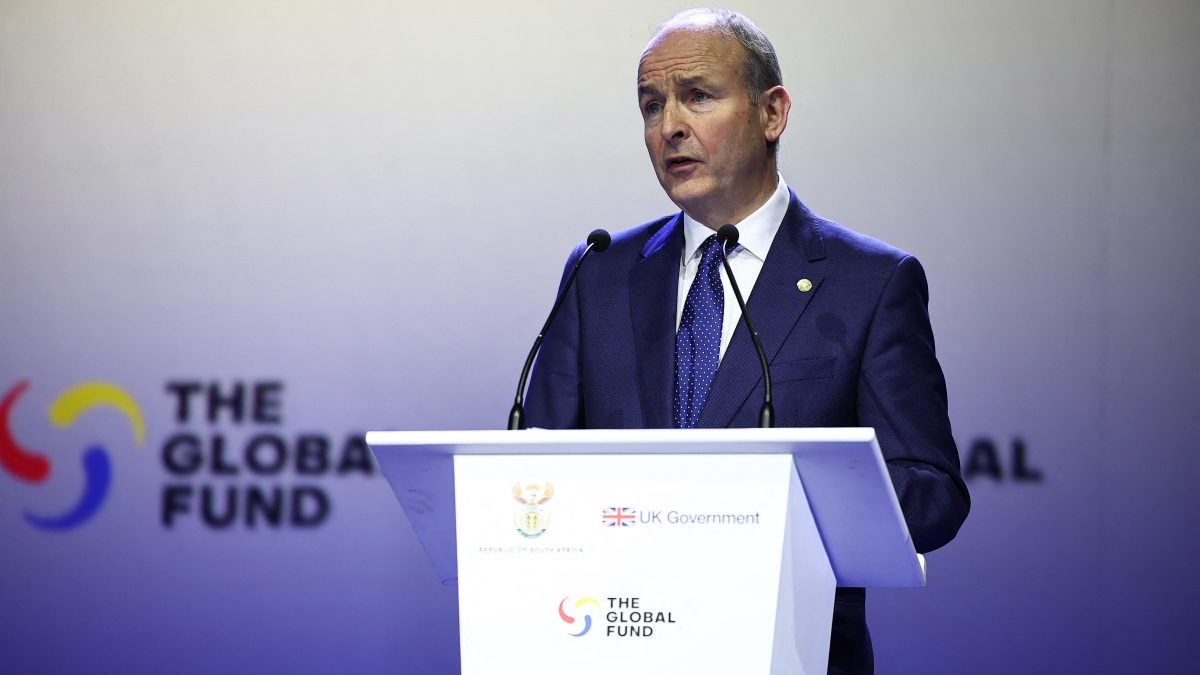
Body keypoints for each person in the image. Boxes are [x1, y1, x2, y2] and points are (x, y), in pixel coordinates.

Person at [525, 8, 969, 673]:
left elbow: (931, 490)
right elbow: (535, 475)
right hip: (614, 644)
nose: (668, 124)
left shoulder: (870, 283)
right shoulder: (598, 274)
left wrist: (779, 499)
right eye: (651, 105)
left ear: (773, 113)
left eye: (698, 96)